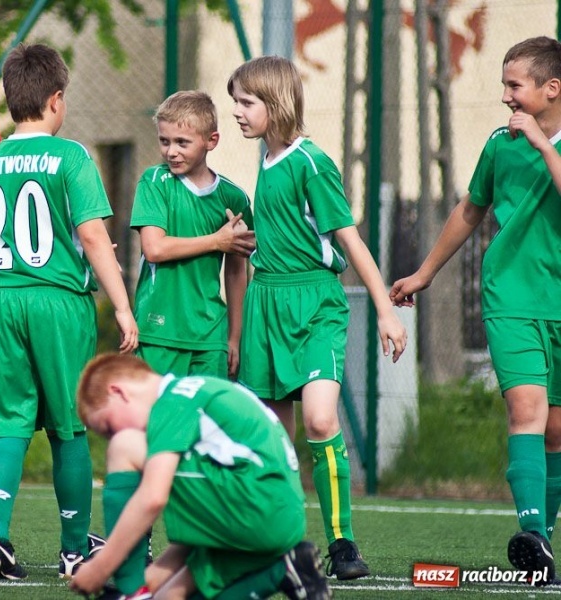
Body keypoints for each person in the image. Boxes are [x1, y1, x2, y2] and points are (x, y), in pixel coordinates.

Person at [227, 56, 407, 581]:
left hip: (315, 306)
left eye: (246, 102)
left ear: (276, 102)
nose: (237, 111)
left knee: (321, 421)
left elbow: (350, 241)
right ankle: (276, 544)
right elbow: (285, 232)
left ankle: (342, 544)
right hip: (265, 303)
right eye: (235, 101)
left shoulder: (312, 162)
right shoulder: (265, 160)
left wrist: (386, 311)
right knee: (269, 435)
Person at [391, 36, 561, 586]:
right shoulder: (498, 144)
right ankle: (531, 532)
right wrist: (424, 272)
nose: (506, 97)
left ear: (551, 88)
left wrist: (543, 146)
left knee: (557, 431)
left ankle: (541, 546)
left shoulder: (538, 142)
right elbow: (471, 208)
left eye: (515, 86)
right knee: (527, 410)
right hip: (511, 296)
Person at [0, 42, 139, 582]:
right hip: (56, 301)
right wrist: (123, 306)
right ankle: (73, 549)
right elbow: (92, 236)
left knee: (8, 424)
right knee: (68, 424)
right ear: (56, 99)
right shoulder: (71, 157)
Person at [68, 353, 332, 600]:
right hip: (266, 516)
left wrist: (101, 567)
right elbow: (195, 533)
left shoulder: (172, 401)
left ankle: (130, 584)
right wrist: (151, 582)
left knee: (126, 446)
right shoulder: (195, 392)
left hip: (255, 506)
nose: (111, 436)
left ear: (118, 392)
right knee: (167, 596)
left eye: (108, 427)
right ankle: (283, 570)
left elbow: (153, 497)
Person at [131, 90, 255, 380]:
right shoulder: (154, 182)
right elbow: (154, 249)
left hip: (211, 337)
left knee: (206, 411)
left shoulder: (233, 197)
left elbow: (236, 272)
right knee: (158, 410)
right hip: (159, 330)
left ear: (211, 141)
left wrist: (234, 337)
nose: (171, 151)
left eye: (182, 142)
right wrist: (216, 241)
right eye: (164, 141)